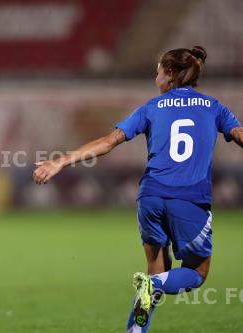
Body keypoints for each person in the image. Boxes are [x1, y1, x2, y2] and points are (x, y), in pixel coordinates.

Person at [33, 46, 243, 332]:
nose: (155, 77)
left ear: (169, 74)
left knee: (156, 268)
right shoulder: (214, 107)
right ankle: (153, 285)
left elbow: (109, 142)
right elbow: (239, 135)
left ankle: (135, 329)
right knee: (196, 272)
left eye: (157, 71)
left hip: (150, 197)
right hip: (189, 199)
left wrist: (62, 161)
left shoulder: (151, 108)